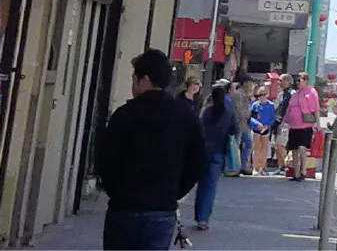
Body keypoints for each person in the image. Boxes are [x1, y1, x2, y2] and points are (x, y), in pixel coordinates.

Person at [96, 48, 207, 250]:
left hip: (125, 207)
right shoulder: (185, 115)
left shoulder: (125, 115)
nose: (132, 85)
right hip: (162, 208)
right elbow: (198, 161)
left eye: (134, 79)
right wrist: (175, 191)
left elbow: (105, 159)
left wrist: (117, 191)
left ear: (144, 80)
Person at [192, 85, 237, 232]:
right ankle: (204, 219)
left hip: (203, 151)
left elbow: (198, 129)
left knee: (201, 185)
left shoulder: (206, 111)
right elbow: (234, 130)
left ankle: (198, 214)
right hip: (218, 152)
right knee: (211, 187)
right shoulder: (228, 112)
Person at [283, 73, 320, 180]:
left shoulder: (311, 92)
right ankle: (296, 173)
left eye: (300, 80)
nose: (297, 83)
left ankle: (303, 171)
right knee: (294, 150)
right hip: (294, 126)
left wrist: (318, 124)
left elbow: (316, 109)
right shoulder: (295, 94)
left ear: (306, 81)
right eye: (297, 81)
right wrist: (283, 123)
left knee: (302, 148)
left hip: (305, 125)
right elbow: (288, 110)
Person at [247, 87, 276, 175]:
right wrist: (256, 124)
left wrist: (267, 125)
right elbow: (250, 117)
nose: (261, 97)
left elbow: (273, 118)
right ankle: (255, 167)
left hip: (266, 128)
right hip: (256, 128)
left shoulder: (270, 105)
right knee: (256, 148)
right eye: (259, 95)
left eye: (263, 95)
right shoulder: (255, 105)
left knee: (264, 149)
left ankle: (262, 168)